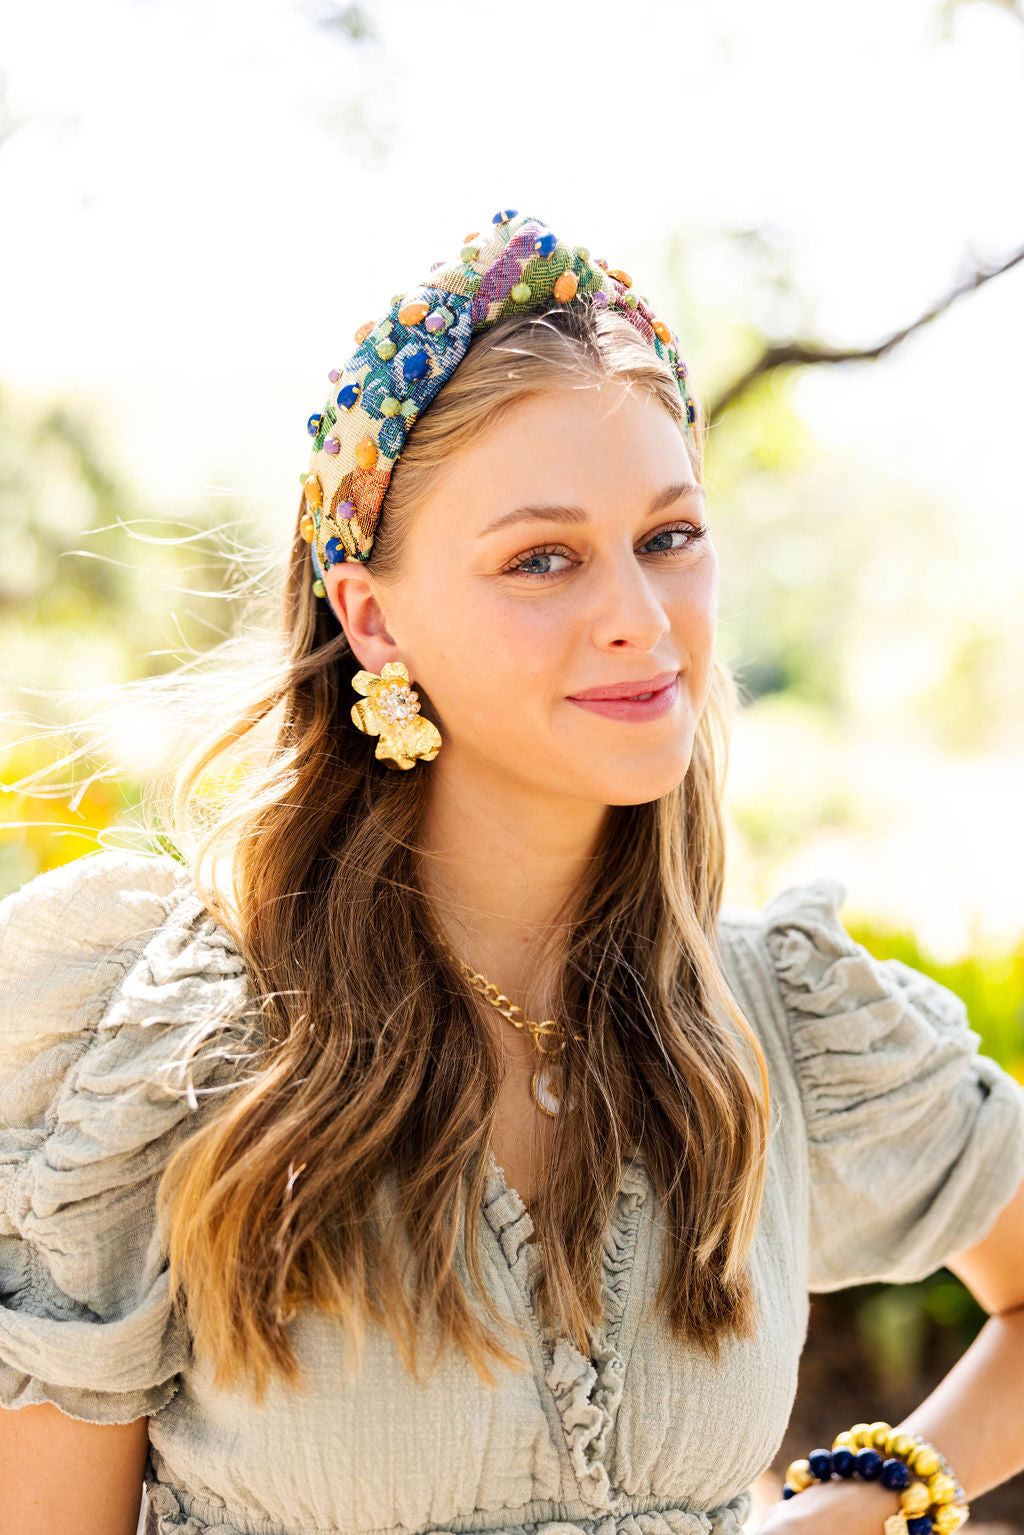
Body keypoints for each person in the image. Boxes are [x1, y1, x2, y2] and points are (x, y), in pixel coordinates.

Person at [1, 210, 1022, 1535]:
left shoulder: (783, 1017)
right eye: (543, 559)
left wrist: (871, 1502)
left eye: (669, 536)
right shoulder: (151, 1055)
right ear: (371, 615)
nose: (642, 619)